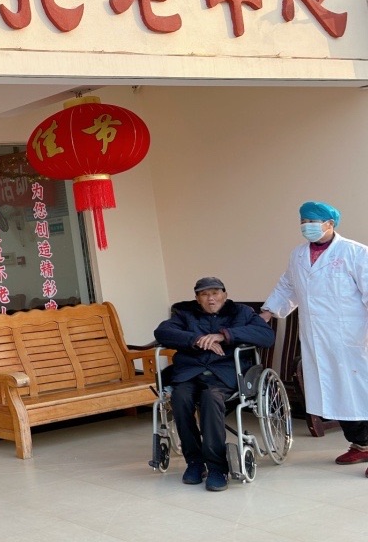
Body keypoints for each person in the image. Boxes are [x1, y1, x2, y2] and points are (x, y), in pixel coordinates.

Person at [260, 201, 368, 476]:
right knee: (337, 394)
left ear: (330, 223)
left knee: (360, 392)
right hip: (317, 339)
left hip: (352, 338)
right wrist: (268, 311)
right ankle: (361, 444)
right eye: (303, 221)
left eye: (312, 221)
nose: (306, 226)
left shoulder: (355, 252)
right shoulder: (298, 255)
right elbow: (288, 286)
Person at [154, 277, 275, 491]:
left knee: (211, 398)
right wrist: (197, 339)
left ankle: (217, 467)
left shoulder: (241, 312)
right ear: (197, 298)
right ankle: (194, 462)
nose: (211, 299)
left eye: (215, 293)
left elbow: (266, 336)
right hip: (190, 372)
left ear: (224, 294)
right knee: (180, 397)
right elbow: (162, 332)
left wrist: (224, 335)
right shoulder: (185, 313)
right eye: (205, 294)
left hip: (225, 374)